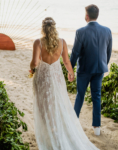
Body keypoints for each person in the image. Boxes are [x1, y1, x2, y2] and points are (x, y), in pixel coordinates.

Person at [30, 17, 100, 150]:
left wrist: (31, 68)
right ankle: (56, 129)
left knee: (44, 104)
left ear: (43, 28)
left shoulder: (38, 42)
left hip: (43, 77)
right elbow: (67, 61)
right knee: (59, 102)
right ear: (54, 27)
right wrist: (71, 73)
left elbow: (34, 63)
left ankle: (50, 131)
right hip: (57, 78)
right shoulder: (62, 42)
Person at [70, 4, 112, 136]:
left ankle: (74, 124)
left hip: (84, 70)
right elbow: (108, 51)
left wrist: (70, 69)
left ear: (87, 16)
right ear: (96, 15)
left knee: (80, 96)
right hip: (100, 69)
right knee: (97, 97)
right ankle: (97, 129)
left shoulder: (80, 31)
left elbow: (75, 53)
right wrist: (103, 64)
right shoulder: (107, 30)